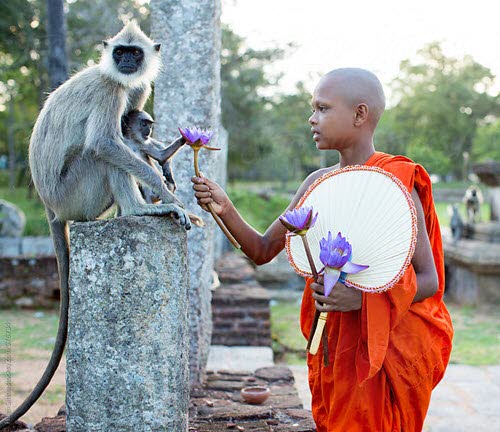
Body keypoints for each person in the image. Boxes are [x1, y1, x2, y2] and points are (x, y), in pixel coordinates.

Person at [191, 68, 453, 432]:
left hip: (378, 350)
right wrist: (224, 207)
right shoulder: (316, 183)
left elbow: (428, 280)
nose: (312, 119)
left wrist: (361, 301)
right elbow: (263, 249)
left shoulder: (396, 183)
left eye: (323, 108)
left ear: (360, 115)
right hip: (332, 344)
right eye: (313, 109)